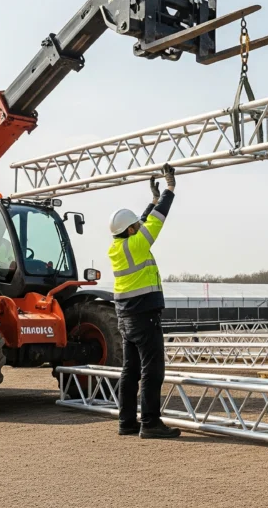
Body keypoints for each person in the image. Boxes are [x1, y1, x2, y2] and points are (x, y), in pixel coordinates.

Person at [108, 163, 181, 440]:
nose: (140, 227)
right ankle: (150, 422)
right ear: (129, 231)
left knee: (131, 370)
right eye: (135, 226)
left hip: (125, 316)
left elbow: (138, 224)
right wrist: (169, 190)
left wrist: (150, 200)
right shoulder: (138, 243)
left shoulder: (117, 246)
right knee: (153, 369)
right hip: (144, 314)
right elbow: (157, 220)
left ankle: (126, 422)